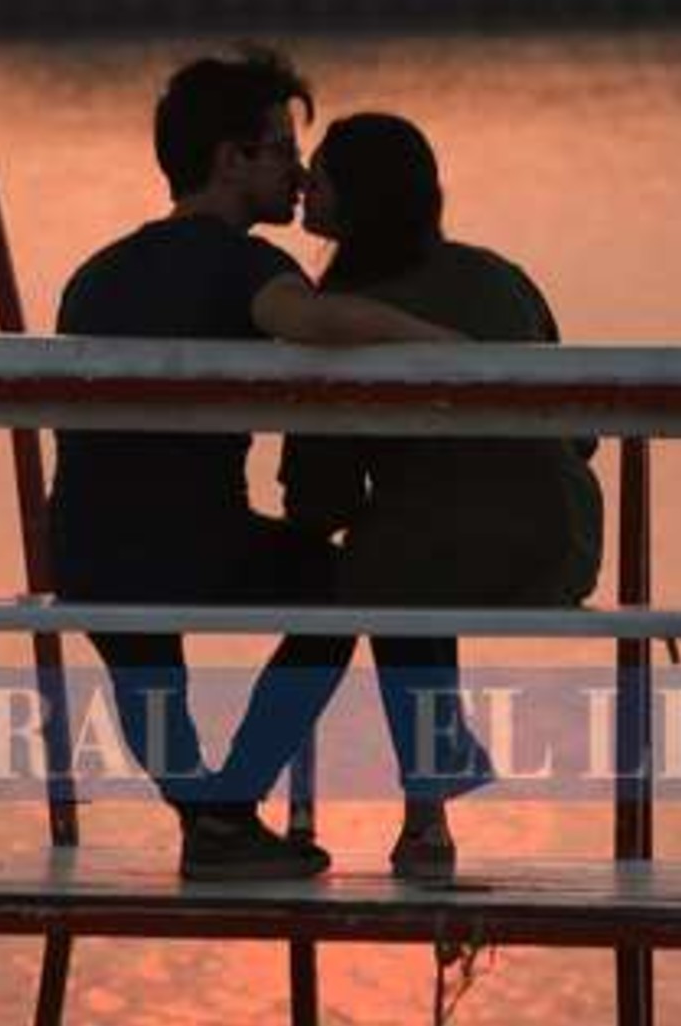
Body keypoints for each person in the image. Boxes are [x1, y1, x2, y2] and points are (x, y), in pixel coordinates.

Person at [48, 46, 458, 882]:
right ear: (230, 161)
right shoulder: (249, 266)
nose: (298, 173)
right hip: (193, 548)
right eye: (280, 150)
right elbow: (308, 323)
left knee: (139, 629)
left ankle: (208, 816)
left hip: (84, 555)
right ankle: (229, 809)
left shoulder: (94, 274)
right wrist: (440, 344)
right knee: (336, 586)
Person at [282, 112, 604, 881]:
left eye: (318, 177)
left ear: (355, 202)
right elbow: (581, 433)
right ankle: (426, 814)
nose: (301, 186)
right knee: (413, 549)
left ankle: (412, 813)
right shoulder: (500, 275)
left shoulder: (342, 314)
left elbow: (318, 499)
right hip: (558, 547)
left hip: (428, 561)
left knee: (385, 567)